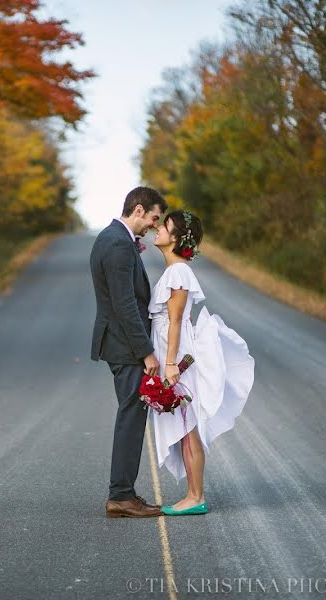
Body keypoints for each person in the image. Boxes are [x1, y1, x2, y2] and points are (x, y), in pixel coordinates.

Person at [147, 210, 255, 516]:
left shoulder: (178, 272)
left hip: (177, 355)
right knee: (185, 427)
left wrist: (170, 365)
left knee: (188, 426)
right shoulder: (173, 271)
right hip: (171, 349)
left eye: (164, 227)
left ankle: (196, 496)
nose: (158, 230)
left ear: (177, 238)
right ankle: (192, 494)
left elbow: (177, 319)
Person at [89, 186, 167, 518]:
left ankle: (123, 492)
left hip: (119, 343)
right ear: (137, 210)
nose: (153, 225)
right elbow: (125, 306)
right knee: (131, 417)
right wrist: (146, 352)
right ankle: (121, 495)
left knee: (131, 416)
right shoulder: (118, 245)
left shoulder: (112, 238)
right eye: (152, 217)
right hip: (124, 346)